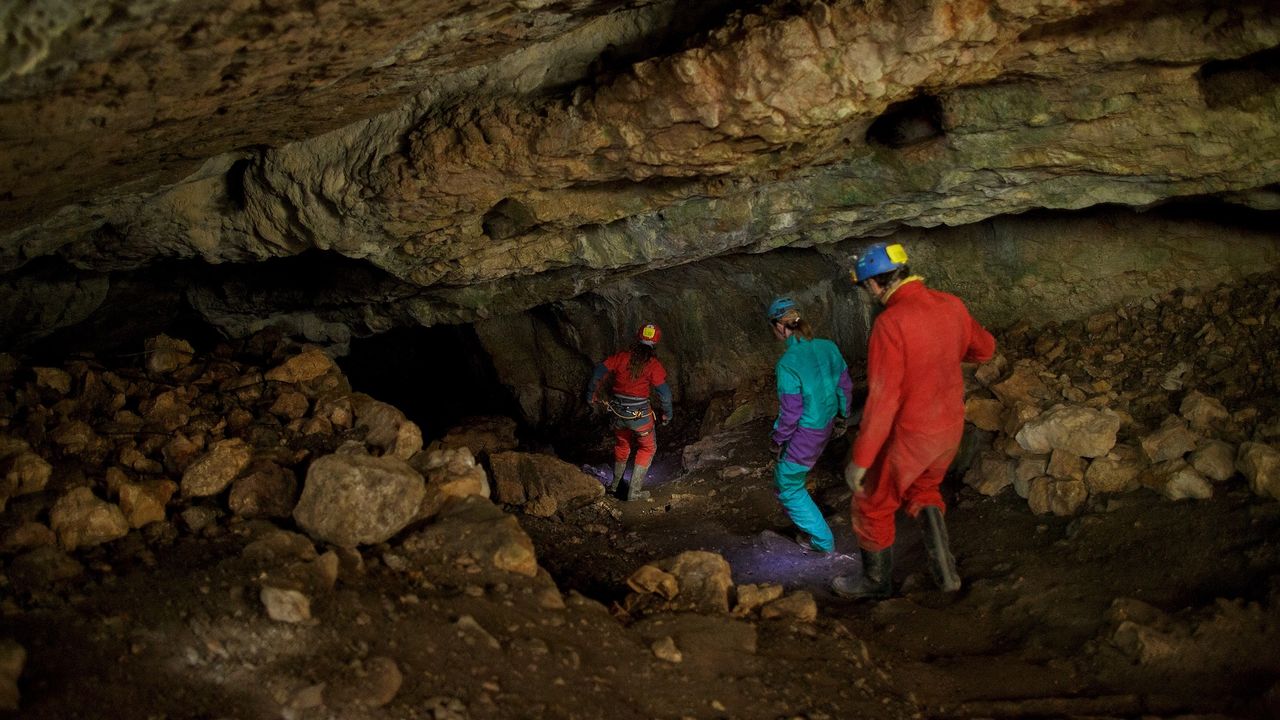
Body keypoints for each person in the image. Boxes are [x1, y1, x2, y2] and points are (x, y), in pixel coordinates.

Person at [832, 242, 996, 599]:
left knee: (872, 503)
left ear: (874, 284)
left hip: (911, 435)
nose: (868, 293)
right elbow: (985, 349)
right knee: (923, 489)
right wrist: (946, 350)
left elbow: (883, 400)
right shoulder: (951, 305)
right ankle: (945, 572)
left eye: (865, 287)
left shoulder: (891, 323)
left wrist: (860, 460)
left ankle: (875, 584)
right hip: (949, 429)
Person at [767, 297, 854, 554]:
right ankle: (816, 531)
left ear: (780, 327)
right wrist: (842, 416)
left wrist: (777, 440)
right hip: (826, 424)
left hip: (806, 434)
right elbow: (844, 386)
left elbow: (791, 413)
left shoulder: (788, 364)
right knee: (793, 480)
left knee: (788, 484)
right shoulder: (828, 347)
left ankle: (821, 541)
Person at [585, 322, 674, 501]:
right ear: (656, 343)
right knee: (648, 447)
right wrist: (667, 414)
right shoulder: (653, 365)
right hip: (640, 416)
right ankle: (634, 492)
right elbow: (664, 394)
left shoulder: (621, 357)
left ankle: (615, 485)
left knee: (622, 444)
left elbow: (598, 372)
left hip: (618, 414)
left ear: (637, 337)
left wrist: (591, 395)